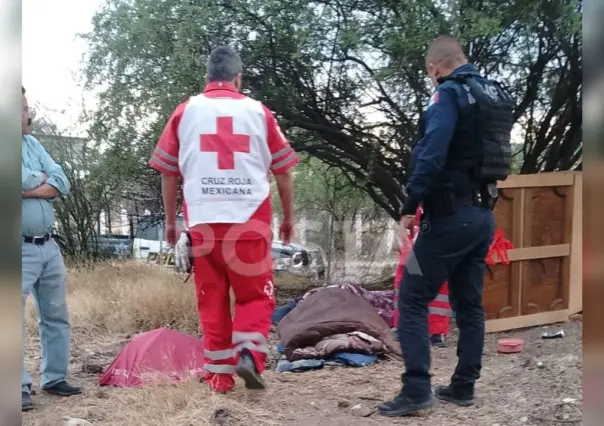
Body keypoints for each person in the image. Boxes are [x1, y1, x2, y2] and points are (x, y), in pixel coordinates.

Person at [378, 35, 514, 417]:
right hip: (483, 218)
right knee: (469, 303)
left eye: (429, 72)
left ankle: (417, 390)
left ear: (434, 67)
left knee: (412, 294)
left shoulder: (447, 95)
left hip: (449, 219)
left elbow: (432, 153)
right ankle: (463, 386)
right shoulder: (488, 95)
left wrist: (409, 206)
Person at [149, 46, 298, 393]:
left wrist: (172, 223)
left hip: (202, 222)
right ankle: (248, 353)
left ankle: (220, 378)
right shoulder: (259, 112)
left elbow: (168, 173)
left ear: (207, 78)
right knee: (254, 297)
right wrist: (289, 219)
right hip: (250, 222)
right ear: (238, 78)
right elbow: (285, 172)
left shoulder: (185, 112)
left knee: (211, 299)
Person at [21, 86, 82, 411]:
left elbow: (61, 180)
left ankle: (55, 377)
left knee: (56, 315)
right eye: (21, 109)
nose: (28, 114)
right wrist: (42, 182)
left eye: (26, 107)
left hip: (48, 245)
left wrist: (29, 185)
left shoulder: (33, 143)